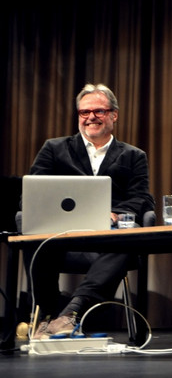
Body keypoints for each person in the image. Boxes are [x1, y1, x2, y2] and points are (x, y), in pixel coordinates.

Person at [26, 83, 155, 339]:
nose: (91, 117)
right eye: (84, 112)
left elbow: (141, 198)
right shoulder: (54, 149)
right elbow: (31, 193)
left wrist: (116, 214)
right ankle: (48, 315)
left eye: (99, 111)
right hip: (60, 233)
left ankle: (73, 312)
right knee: (33, 231)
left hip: (108, 235)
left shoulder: (133, 156)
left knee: (129, 236)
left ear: (114, 115)